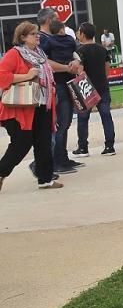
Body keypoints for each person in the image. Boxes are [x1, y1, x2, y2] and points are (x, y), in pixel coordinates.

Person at [0, 21, 61, 190]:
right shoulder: (15, 54)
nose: (38, 36)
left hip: (41, 105)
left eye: (37, 33)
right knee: (22, 143)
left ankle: (45, 179)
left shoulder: (39, 54)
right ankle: (1, 172)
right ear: (23, 37)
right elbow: (2, 76)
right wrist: (26, 76)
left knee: (44, 142)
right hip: (20, 107)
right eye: (33, 34)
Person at [37, 10, 82, 174]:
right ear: (49, 20)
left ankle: (62, 157)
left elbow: (76, 52)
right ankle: (55, 161)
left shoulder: (61, 39)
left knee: (66, 121)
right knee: (59, 123)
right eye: (56, 18)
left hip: (66, 82)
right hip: (56, 85)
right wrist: (67, 67)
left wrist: (76, 61)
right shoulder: (42, 39)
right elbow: (43, 61)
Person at [73, 22, 115, 157]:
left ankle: (83, 147)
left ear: (82, 34)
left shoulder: (80, 51)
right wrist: (104, 79)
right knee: (106, 116)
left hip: (86, 87)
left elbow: (80, 69)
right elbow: (107, 66)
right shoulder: (102, 49)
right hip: (102, 86)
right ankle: (109, 146)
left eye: (78, 32)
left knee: (83, 118)